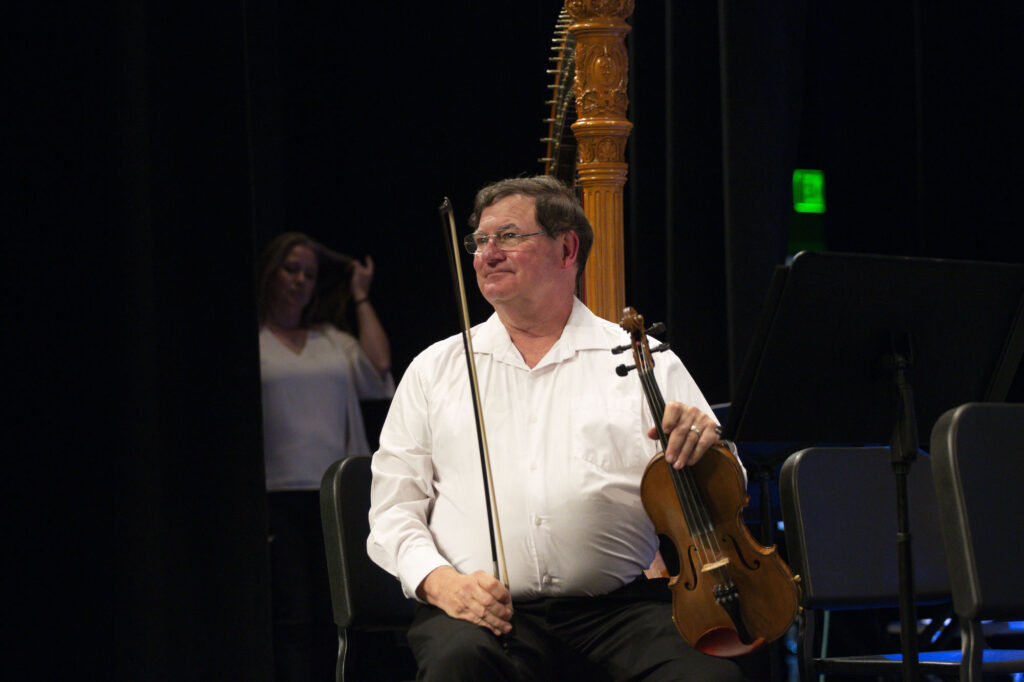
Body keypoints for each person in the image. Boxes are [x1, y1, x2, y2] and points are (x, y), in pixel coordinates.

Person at [366, 176, 747, 681]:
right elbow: (393, 510)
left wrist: (706, 447)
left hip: (621, 612)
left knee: (709, 678)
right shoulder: (435, 369)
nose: (487, 254)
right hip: (481, 612)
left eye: (508, 236)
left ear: (567, 249)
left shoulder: (645, 361)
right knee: (458, 665)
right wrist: (439, 583)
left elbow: (726, 490)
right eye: (480, 241)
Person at [257, 231, 394, 682]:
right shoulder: (257, 341)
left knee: (338, 616)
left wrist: (360, 296)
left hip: (331, 498)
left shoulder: (332, 341)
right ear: (271, 273)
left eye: (310, 274)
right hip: (278, 496)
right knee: (293, 616)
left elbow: (379, 368)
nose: (300, 280)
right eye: (291, 269)